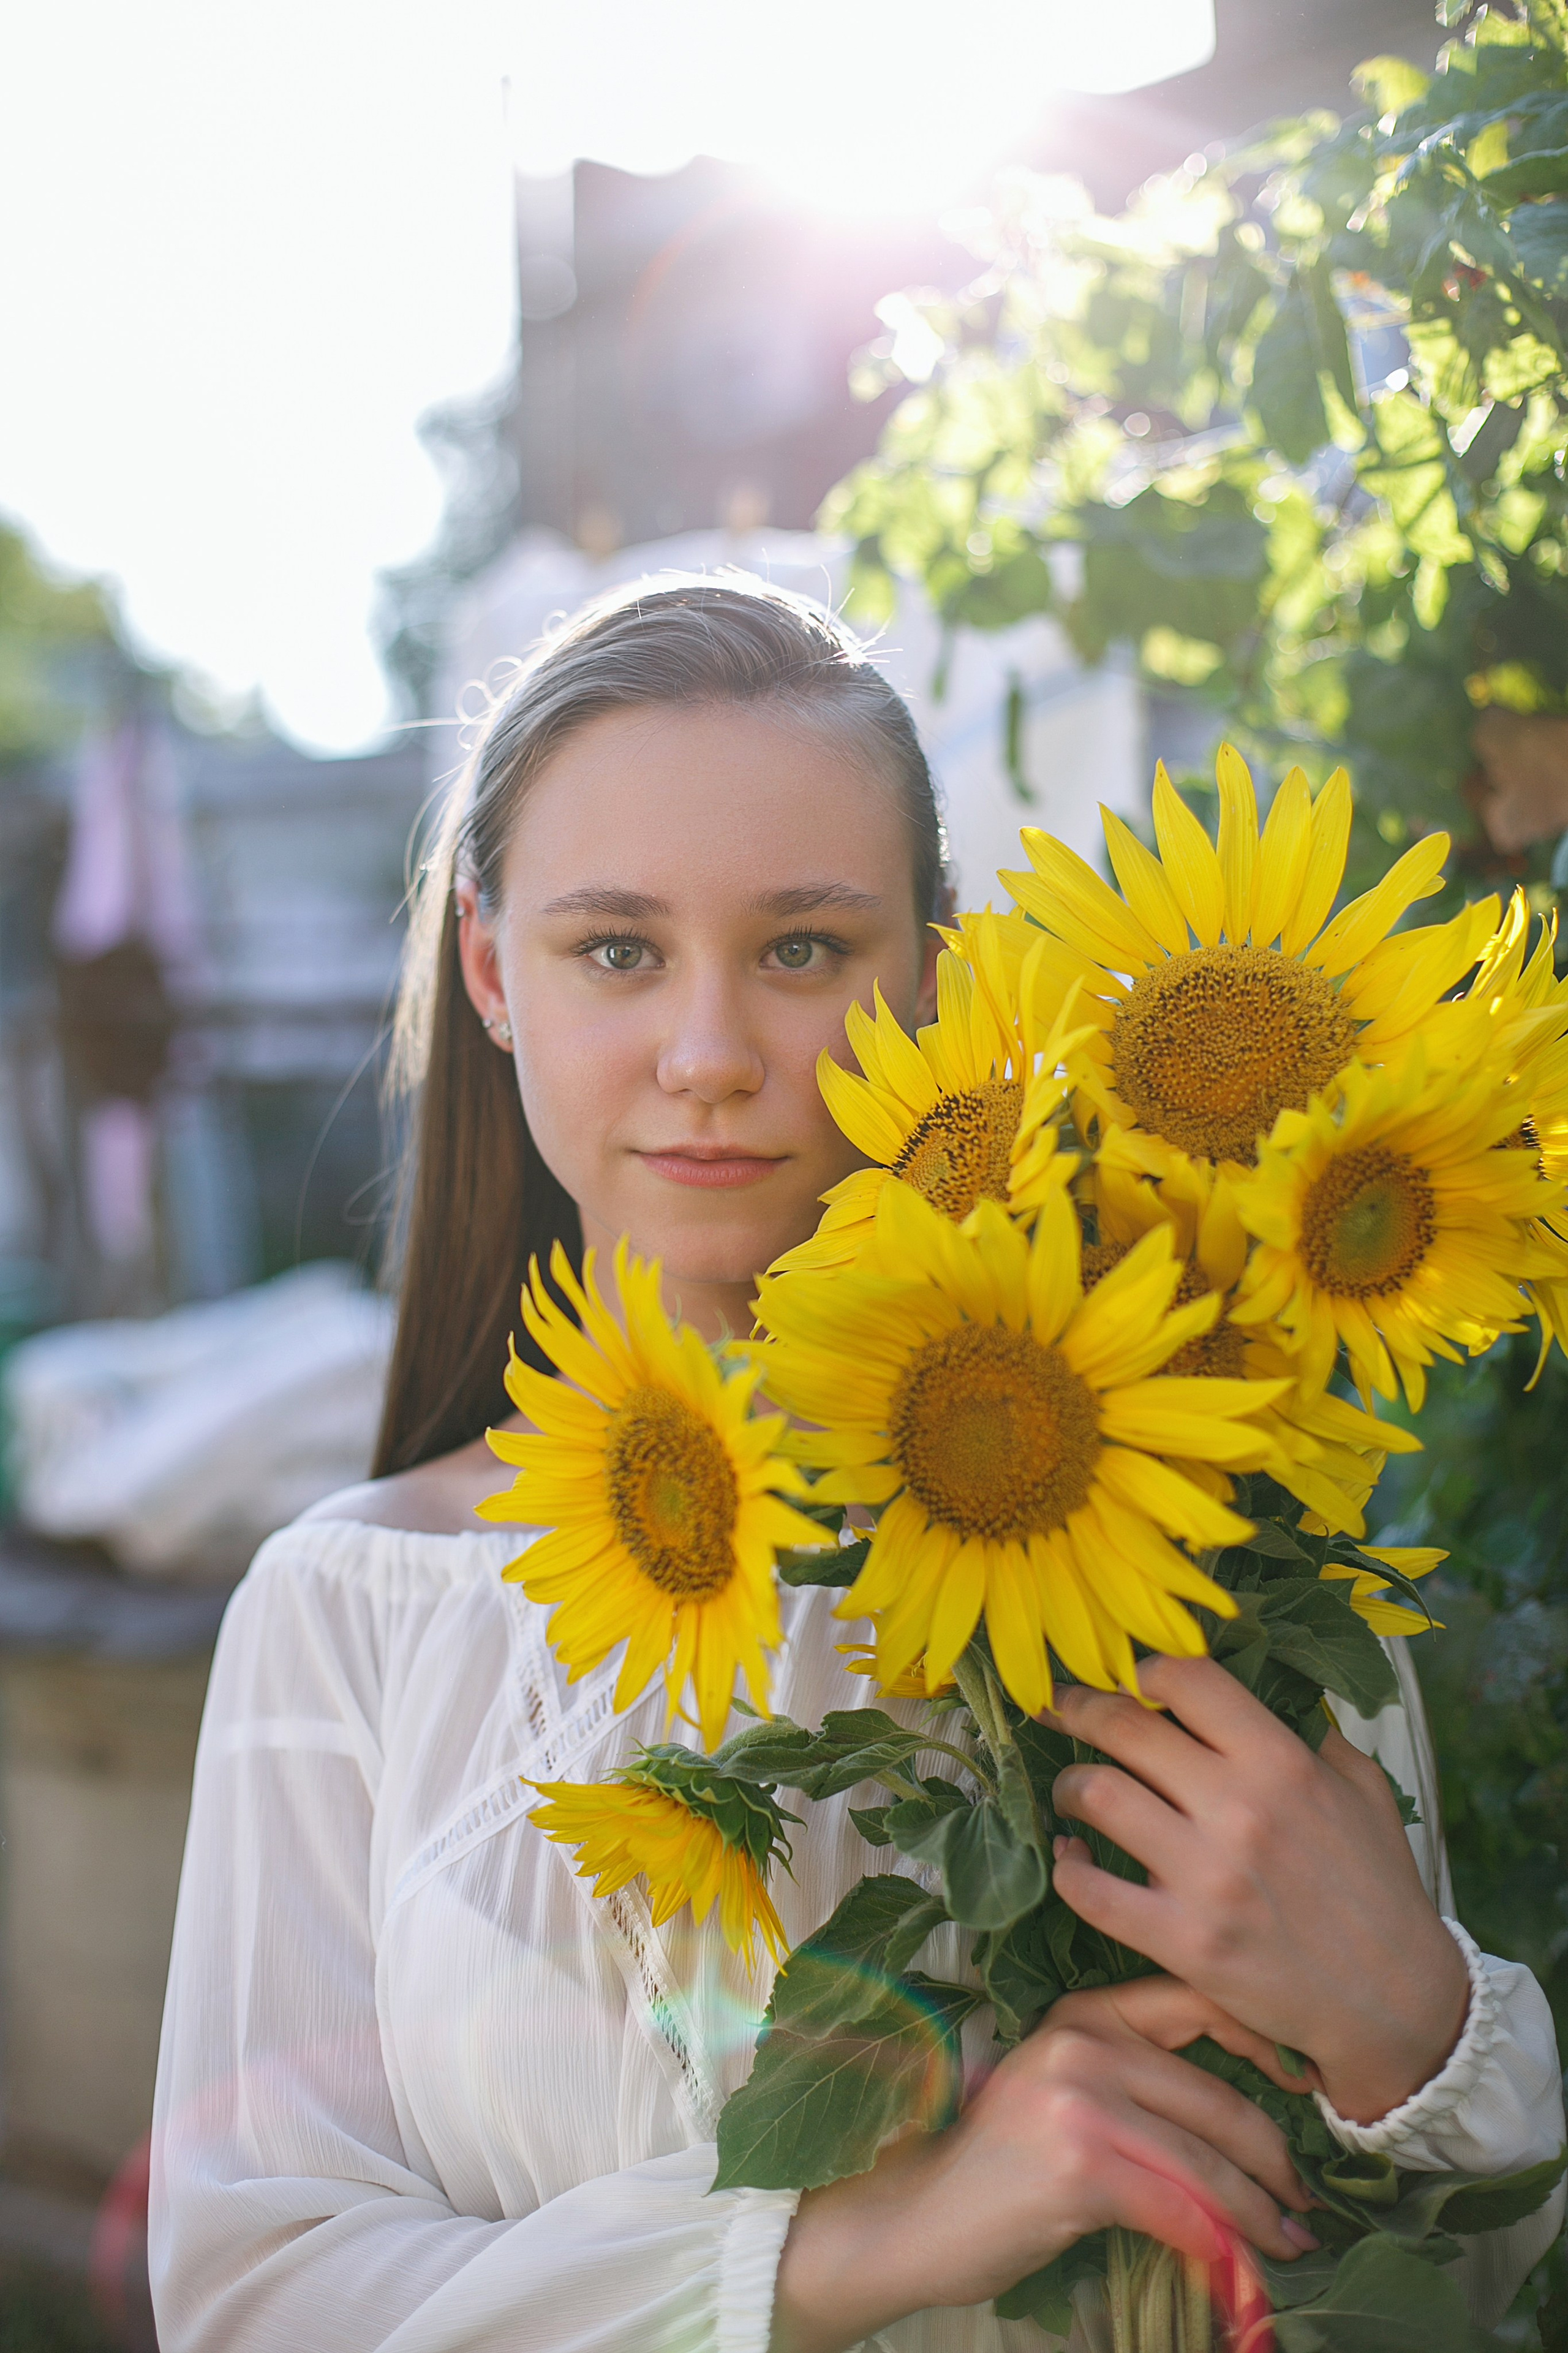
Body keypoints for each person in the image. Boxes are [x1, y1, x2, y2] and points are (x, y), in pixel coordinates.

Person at [149, 578, 1564, 2353]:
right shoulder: (347, 1611)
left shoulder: (1193, 1521)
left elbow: (1461, 2296)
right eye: (618, 947)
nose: (713, 1055)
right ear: (492, 968)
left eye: (804, 948)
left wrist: (1417, 2031)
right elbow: (252, 2297)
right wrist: (857, 2239)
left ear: (937, 973)